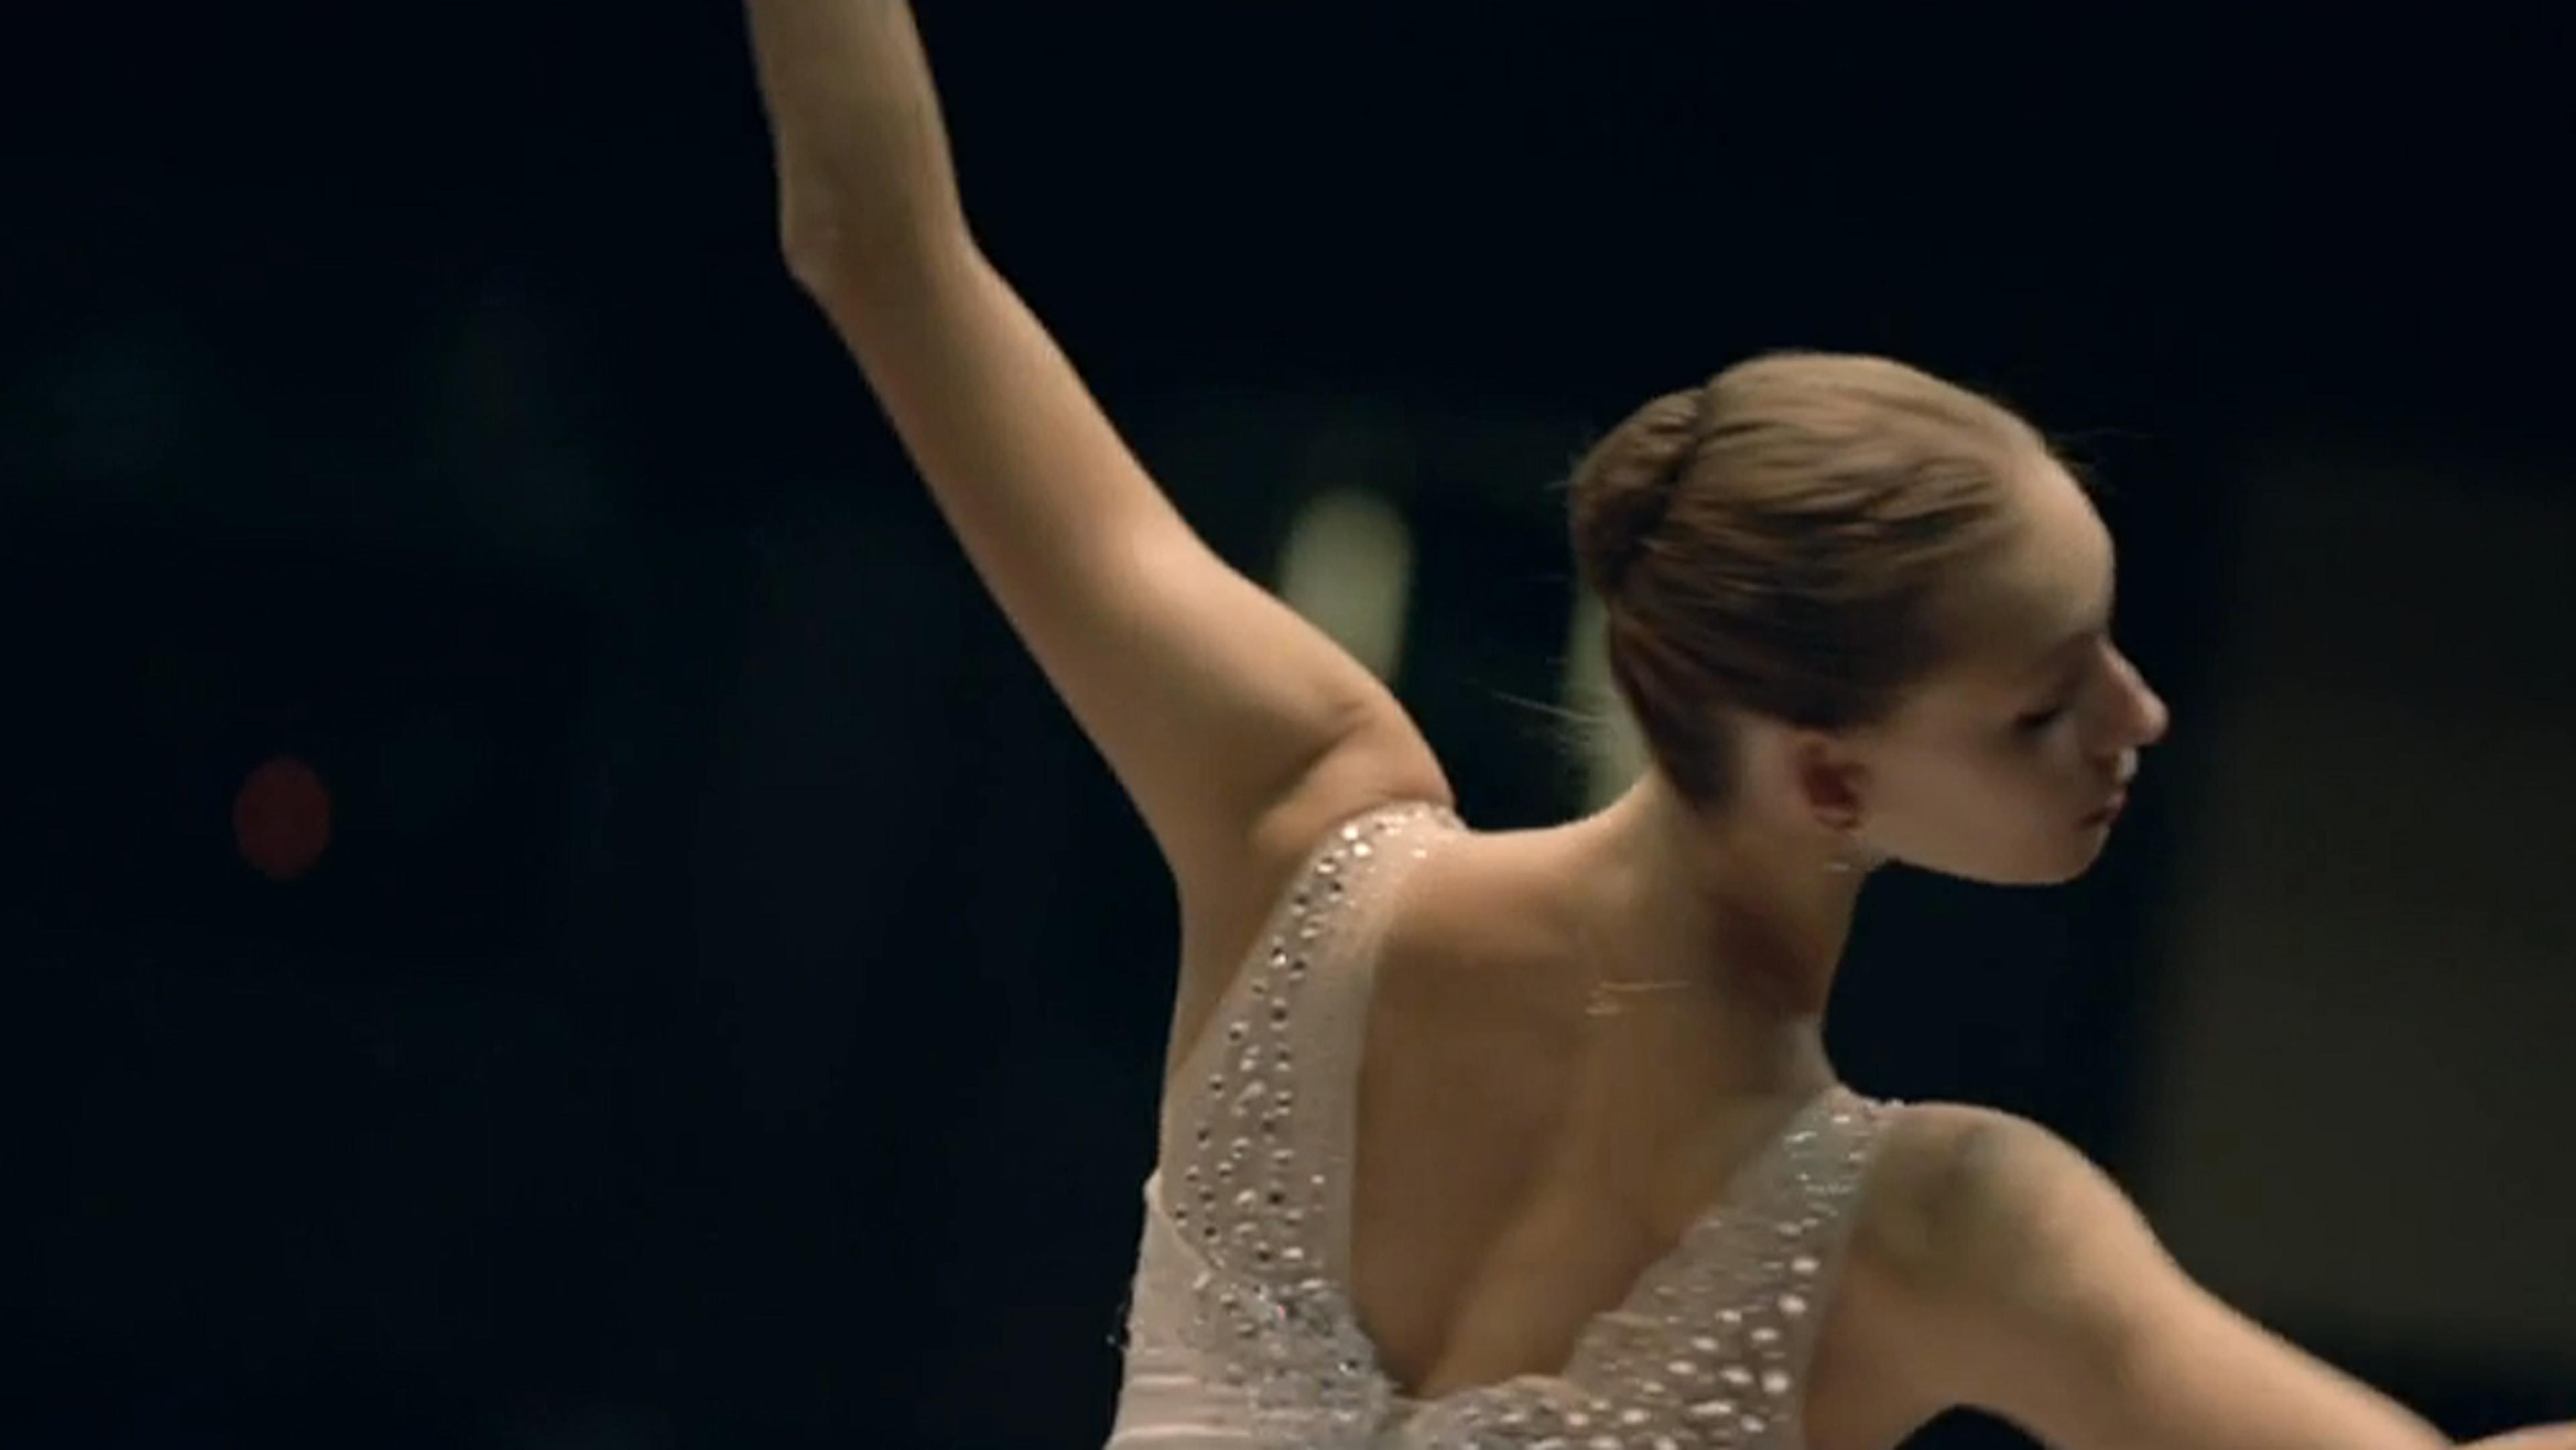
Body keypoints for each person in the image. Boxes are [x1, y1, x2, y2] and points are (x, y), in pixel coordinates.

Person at [737, 5, 2574, 1449]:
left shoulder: (1299, 820)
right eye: (2047, 699)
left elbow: (869, 238)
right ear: (1830, 772)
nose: (2137, 714)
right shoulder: (1945, 1226)